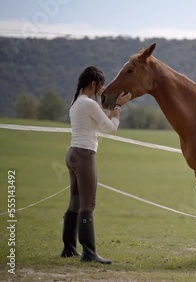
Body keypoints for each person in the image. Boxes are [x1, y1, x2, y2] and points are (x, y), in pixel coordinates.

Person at [61, 66, 131, 264]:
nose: (103, 88)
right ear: (93, 84)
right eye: (101, 85)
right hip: (85, 156)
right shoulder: (89, 104)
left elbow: (99, 121)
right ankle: (89, 253)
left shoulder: (78, 102)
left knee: (75, 202)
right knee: (88, 204)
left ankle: (69, 247)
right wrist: (118, 107)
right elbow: (110, 128)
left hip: (73, 153)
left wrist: (108, 103)